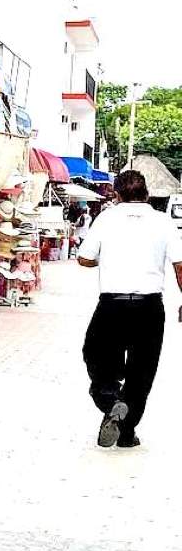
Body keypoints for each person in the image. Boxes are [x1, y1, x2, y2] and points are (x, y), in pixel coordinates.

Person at [77, 168, 182, 449]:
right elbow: (180, 266)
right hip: (150, 308)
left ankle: (111, 400)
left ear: (117, 194)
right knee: (141, 372)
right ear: (146, 194)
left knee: (97, 358)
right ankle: (126, 434)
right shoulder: (163, 222)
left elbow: (84, 259)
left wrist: (109, 259)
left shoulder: (107, 218)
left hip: (112, 305)